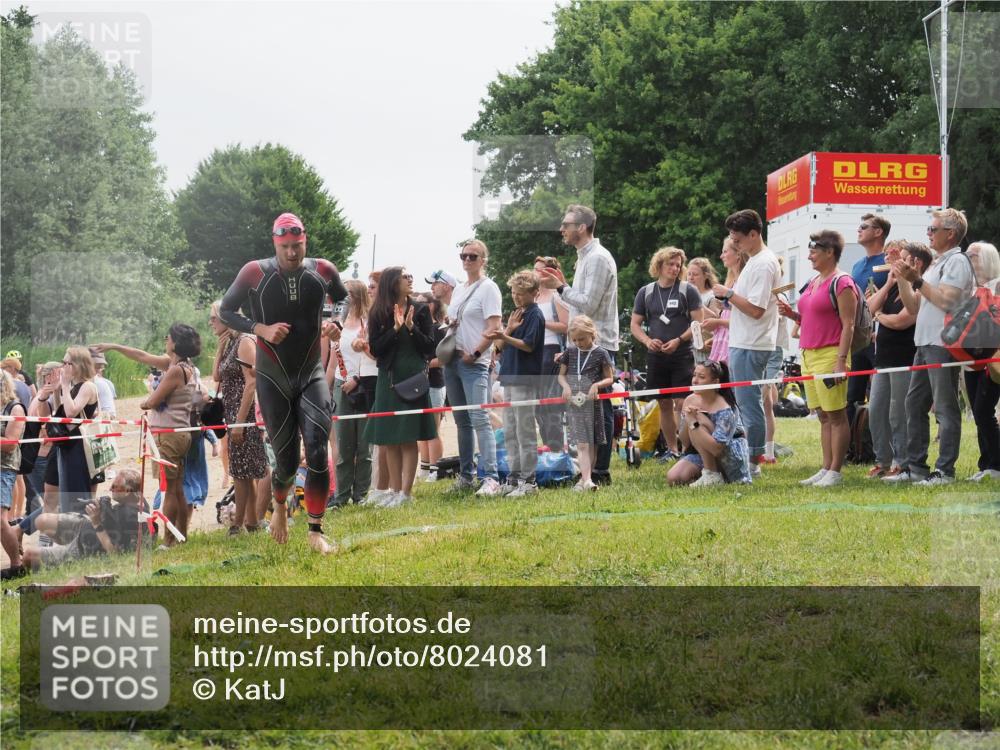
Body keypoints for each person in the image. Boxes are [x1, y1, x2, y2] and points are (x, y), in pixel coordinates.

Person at [219, 212, 347, 553]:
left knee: (319, 449)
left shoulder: (322, 270)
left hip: (311, 373)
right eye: (286, 246)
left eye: (298, 245)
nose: (292, 252)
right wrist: (260, 329)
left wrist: (335, 322)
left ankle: (316, 531)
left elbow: (344, 298)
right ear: (275, 244)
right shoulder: (254, 272)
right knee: (287, 461)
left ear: (305, 240)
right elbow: (226, 311)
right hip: (272, 377)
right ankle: (278, 507)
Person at [886, 208, 975, 485]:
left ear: (950, 233)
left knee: (945, 409)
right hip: (924, 343)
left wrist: (916, 279)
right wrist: (902, 277)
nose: (928, 234)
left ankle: (945, 471)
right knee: (914, 404)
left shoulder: (957, 262)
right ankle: (916, 468)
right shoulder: (937, 263)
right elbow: (913, 306)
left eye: (933, 229)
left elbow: (947, 301)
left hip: (943, 344)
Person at [95, 327, 199, 546]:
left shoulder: (174, 370)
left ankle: (169, 540)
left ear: (176, 342)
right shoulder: (182, 365)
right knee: (177, 487)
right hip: (179, 433)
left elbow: (152, 401)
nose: (165, 340)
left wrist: (145, 402)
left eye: (168, 337)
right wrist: (114, 346)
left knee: (169, 489)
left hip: (168, 436)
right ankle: (181, 535)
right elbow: (141, 355)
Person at [539, 204, 619, 485]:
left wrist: (560, 288)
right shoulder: (584, 257)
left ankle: (599, 472)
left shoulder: (597, 258)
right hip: (581, 345)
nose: (562, 229)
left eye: (566, 224)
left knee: (601, 408)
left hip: (598, 344)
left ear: (581, 228)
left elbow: (588, 304)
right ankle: (589, 471)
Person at [778, 230, 858, 487]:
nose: (809, 255)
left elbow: (849, 325)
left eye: (814, 250)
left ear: (830, 252)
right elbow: (811, 319)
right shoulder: (814, 282)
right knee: (823, 415)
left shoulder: (842, 282)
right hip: (808, 354)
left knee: (836, 415)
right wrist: (791, 314)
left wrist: (840, 361)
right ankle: (825, 468)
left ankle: (836, 470)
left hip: (830, 354)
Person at [713, 209, 782, 473]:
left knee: (749, 404)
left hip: (752, 343)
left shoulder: (764, 263)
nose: (734, 244)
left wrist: (728, 294)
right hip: (744, 341)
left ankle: (753, 462)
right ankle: (751, 457)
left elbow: (756, 309)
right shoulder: (754, 260)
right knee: (746, 402)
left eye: (738, 239)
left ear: (754, 234)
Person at [364, 267, 437, 506]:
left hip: (412, 377)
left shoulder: (422, 308)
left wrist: (410, 327)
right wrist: (394, 329)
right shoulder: (378, 311)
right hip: (389, 378)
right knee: (390, 438)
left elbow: (429, 346)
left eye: (410, 275)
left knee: (408, 437)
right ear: (393, 283)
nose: (410, 279)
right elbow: (375, 349)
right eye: (405, 276)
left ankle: (406, 493)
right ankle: (394, 491)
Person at [630, 246, 704, 459]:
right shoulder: (646, 292)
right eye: (670, 264)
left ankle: (688, 447)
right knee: (663, 402)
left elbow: (697, 321)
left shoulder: (687, 290)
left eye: (678, 265)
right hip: (656, 356)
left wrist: (679, 339)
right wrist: (647, 341)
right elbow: (635, 324)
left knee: (682, 402)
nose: (675, 268)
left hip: (681, 354)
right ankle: (671, 449)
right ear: (659, 265)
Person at [444, 240, 504, 496]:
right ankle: (466, 475)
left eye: (473, 256)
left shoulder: (489, 288)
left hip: (474, 362)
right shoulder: (458, 289)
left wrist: (477, 352)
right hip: (453, 360)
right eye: (464, 255)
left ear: (483, 260)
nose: (467, 260)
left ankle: (490, 477)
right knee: (462, 421)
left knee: (480, 418)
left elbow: (494, 327)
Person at [866, 240, 926, 479]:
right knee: (876, 411)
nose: (893, 262)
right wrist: (890, 281)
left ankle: (901, 463)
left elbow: (902, 320)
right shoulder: (892, 285)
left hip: (904, 357)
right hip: (883, 358)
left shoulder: (916, 289)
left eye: (900, 258)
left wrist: (880, 316)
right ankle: (883, 460)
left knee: (898, 414)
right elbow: (868, 308)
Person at [210, 301, 268, 532]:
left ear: (226, 318)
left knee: (246, 470)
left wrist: (240, 423)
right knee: (240, 470)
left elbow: (252, 382)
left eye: (213, 318)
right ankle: (249, 522)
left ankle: (240, 523)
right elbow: (217, 375)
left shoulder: (245, 341)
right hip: (232, 412)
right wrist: (219, 349)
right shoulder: (231, 342)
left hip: (244, 414)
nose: (211, 323)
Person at [487, 270, 546, 496]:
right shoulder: (517, 314)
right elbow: (499, 350)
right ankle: (513, 477)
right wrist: (507, 330)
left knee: (525, 431)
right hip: (509, 377)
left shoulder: (534, 315)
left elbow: (529, 345)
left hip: (525, 378)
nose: (516, 297)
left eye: (521, 293)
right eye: (513, 293)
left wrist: (504, 336)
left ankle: (528, 481)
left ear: (534, 293)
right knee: (510, 430)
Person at [21, 468, 148, 569]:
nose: (110, 489)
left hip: (85, 547)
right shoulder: (138, 501)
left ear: (127, 491)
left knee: (28, 555)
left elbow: (115, 554)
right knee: (41, 521)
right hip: (87, 527)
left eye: (115, 487)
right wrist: (102, 510)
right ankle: (60, 550)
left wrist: (97, 522)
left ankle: (61, 556)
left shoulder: (130, 518)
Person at [667, 360, 752, 486]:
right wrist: (688, 419)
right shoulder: (690, 400)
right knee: (674, 478)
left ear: (715, 382)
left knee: (699, 420)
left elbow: (717, 449)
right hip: (702, 452)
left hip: (729, 456)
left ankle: (712, 475)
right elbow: (685, 442)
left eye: (701, 377)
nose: (695, 381)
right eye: (694, 375)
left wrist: (694, 422)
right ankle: (709, 473)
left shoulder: (726, 407)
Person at [332, 280, 378, 505]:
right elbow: (332, 357)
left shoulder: (368, 321)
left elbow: (370, 356)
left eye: (349, 293)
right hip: (341, 386)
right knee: (344, 447)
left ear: (359, 295)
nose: (345, 298)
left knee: (364, 446)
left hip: (364, 385)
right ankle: (341, 496)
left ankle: (361, 495)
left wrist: (356, 379)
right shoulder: (338, 322)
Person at [558, 316, 614, 492]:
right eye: (575, 340)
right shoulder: (570, 352)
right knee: (582, 443)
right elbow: (561, 375)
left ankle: (586, 479)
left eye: (582, 339)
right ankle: (587, 479)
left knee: (593, 443)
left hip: (594, 405)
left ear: (592, 334)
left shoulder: (601, 353)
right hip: (576, 403)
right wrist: (566, 387)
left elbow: (610, 378)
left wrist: (596, 385)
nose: (578, 343)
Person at [847, 213, 892, 420]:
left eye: (864, 226)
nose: (859, 229)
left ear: (878, 232)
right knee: (851, 396)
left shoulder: (889, 262)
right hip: (858, 337)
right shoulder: (857, 265)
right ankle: (853, 448)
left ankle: (878, 444)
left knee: (880, 396)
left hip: (880, 336)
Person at [962, 241, 1000, 481]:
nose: (968, 259)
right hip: (969, 358)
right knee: (978, 412)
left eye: (972, 255)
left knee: (984, 410)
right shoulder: (969, 289)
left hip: (992, 358)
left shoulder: (997, 287)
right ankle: (986, 464)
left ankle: (996, 465)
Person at [533, 256, 570, 451]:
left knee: (551, 403)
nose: (536, 273)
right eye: (535, 269)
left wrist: (541, 323)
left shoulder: (557, 296)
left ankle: (556, 448)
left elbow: (566, 326)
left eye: (540, 269)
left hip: (552, 351)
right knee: (538, 405)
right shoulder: (532, 296)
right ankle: (548, 445)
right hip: (533, 353)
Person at [416, 290, 447, 483]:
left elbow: (443, 359)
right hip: (418, 384)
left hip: (434, 383)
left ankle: (437, 468)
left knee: (433, 429)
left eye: (421, 303)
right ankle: (425, 467)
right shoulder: (419, 329)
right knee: (421, 429)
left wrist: (423, 365)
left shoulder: (439, 329)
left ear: (432, 305)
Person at [703, 238, 748, 364]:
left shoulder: (743, 282)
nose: (721, 256)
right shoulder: (733, 282)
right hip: (728, 342)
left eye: (725, 251)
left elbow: (744, 319)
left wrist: (717, 322)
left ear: (738, 254)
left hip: (736, 345)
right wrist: (719, 338)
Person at [1, 371, 26, 579]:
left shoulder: (14, 408)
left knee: (0, 520)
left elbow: (10, 444)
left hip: (4, 469)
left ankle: (17, 565)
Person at [686, 257, 721, 364]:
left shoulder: (713, 295)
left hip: (706, 349)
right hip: (688, 349)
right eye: (689, 274)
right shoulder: (683, 294)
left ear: (705, 276)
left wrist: (696, 299)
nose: (691, 278)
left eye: (695, 274)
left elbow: (716, 319)